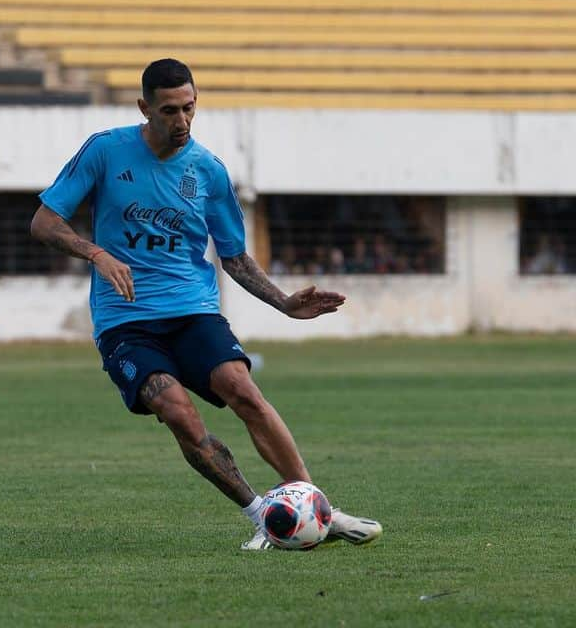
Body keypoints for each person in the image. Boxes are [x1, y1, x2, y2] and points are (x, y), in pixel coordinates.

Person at [30, 58, 382, 550]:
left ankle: (314, 504)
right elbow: (44, 223)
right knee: (176, 410)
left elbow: (234, 258)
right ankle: (264, 515)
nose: (181, 121)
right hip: (125, 321)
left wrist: (283, 302)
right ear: (144, 108)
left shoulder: (208, 171)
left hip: (192, 310)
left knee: (243, 390)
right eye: (169, 110)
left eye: (189, 108)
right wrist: (96, 252)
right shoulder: (106, 152)